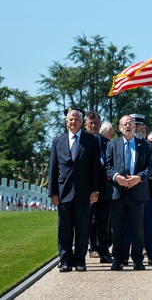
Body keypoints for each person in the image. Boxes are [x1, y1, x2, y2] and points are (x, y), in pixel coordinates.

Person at [48, 108, 104, 272]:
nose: (73, 122)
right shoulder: (57, 141)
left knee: (82, 228)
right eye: (70, 120)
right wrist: (53, 192)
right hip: (63, 192)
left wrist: (95, 190)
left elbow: (95, 167)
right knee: (64, 229)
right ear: (66, 122)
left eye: (76, 120)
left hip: (84, 192)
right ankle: (65, 260)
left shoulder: (90, 141)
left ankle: (80, 260)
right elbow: (53, 169)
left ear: (82, 122)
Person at [106, 114, 152, 271]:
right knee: (118, 228)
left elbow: (151, 166)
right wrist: (116, 177)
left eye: (130, 124)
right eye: (124, 124)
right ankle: (118, 259)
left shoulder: (145, 145)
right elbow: (107, 166)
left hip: (137, 190)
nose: (128, 126)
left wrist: (139, 178)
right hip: (118, 192)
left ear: (135, 127)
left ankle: (137, 260)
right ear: (119, 128)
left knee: (137, 228)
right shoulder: (112, 145)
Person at [132, 113, 152, 265]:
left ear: (143, 127)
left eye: (139, 125)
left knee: (148, 224)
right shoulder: (123, 144)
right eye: (134, 124)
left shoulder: (150, 146)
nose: (136, 128)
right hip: (128, 190)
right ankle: (126, 255)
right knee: (129, 225)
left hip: (146, 190)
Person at [85, 111, 112, 262]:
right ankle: (87, 249)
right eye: (91, 123)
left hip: (104, 189)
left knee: (103, 223)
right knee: (86, 222)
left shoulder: (108, 144)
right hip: (86, 190)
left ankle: (104, 252)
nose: (94, 126)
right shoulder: (81, 142)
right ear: (86, 125)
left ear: (100, 125)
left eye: (96, 123)